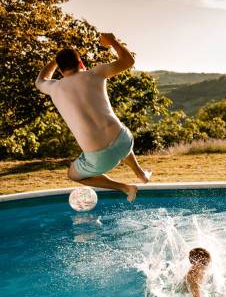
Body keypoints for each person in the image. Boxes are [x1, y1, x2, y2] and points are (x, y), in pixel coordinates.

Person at [35, 33, 151, 202]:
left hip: (100, 159)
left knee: (73, 174)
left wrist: (54, 60)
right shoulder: (97, 73)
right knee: (117, 133)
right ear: (80, 63)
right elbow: (128, 61)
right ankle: (141, 174)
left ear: (60, 70)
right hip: (125, 141)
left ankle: (125, 187)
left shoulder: (54, 87)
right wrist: (112, 41)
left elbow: (40, 80)